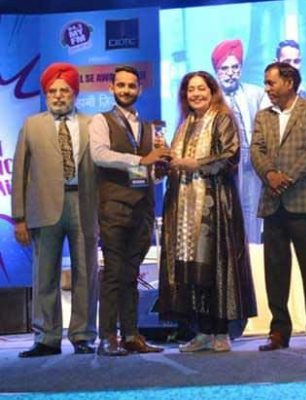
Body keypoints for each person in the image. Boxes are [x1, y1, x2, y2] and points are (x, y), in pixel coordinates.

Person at [156, 71, 258, 352]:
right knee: (189, 269)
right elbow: (177, 162)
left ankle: (221, 332)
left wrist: (195, 164)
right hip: (185, 207)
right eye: (191, 90)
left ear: (212, 91)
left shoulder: (222, 118)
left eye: (201, 89)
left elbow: (230, 156)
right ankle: (200, 332)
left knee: (216, 266)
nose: (196, 94)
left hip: (215, 207)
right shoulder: (185, 123)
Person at [12, 62, 99, 357]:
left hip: (84, 205)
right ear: (45, 94)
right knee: (44, 274)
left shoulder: (92, 123)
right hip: (43, 209)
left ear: (74, 93)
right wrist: (19, 218)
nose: (59, 96)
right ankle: (46, 337)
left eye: (64, 91)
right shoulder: (32, 125)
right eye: (53, 91)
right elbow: (20, 172)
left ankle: (83, 335)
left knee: (85, 273)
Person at [250, 62, 306, 351]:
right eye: (265, 83)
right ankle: (278, 331)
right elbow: (256, 150)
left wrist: (288, 177)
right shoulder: (263, 116)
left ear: (289, 82)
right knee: (275, 271)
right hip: (274, 203)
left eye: (271, 82)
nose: (267, 88)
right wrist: (271, 176)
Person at [89, 65, 170, 356]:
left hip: (143, 209)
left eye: (131, 86)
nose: (126, 90)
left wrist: (161, 166)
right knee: (112, 273)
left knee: (131, 274)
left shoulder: (149, 127)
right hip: (114, 207)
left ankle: (132, 335)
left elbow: (153, 173)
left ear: (140, 89)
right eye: (120, 85)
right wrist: (142, 159)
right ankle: (108, 337)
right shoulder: (101, 121)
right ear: (111, 88)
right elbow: (99, 155)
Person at [212, 39, 270, 243]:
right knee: (226, 226)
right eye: (224, 68)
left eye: (235, 67)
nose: (230, 72)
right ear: (217, 71)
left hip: (251, 171)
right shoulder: (210, 101)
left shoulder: (256, 94)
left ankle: (253, 269)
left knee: (252, 225)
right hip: (223, 175)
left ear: (241, 68)